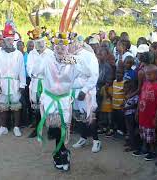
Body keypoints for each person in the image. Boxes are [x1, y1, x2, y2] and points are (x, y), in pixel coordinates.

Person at [31, 31, 90, 171]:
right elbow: (34, 72)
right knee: (54, 128)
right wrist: (40, 55)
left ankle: (61, 153)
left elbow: (87, 74)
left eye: (63, 48)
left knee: (63, 129)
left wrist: (73, 62)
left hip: (63, 101)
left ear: (68, 48)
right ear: (54, 48)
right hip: (50, 99)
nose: (60, 50)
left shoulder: (72, 61)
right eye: (57, 47)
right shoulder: (47, 59)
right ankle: (61, 153)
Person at [0, 21, 26, 137]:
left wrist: (22, 85)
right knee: (3, 106)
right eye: (7, 40)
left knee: (16, 106)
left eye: (11, 40)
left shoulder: (19, 54)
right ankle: (4, 127)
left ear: (14, 40)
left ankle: (16, 127)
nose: (9, 42)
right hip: (2, 83)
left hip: (15, 83)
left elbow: (22, 70)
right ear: (3, 40)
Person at [71, 35, 100, 153]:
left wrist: (84, 90)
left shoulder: (89, 55)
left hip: (86, 91)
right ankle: (83, 138)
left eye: (73, 43)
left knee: (90, 116)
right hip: (74, 90)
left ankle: (96, 141)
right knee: (79, 116)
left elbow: (94, 75)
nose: (71, 45)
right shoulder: (71, 56)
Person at [27, 27, 54, 138]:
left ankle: (50, 130)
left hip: (46, 83)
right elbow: (30, 70)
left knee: (49, 107)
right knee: (37, 108)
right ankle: (38, 129)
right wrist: (37, 71)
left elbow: (51, 69)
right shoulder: (32, 54)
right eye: (37, 42)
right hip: (36, 83)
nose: (39, 44)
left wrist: (38, 71)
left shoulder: (50, 53)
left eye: (41, 42)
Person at [133, 65, 157, 161]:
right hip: (143, 114)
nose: (148, 76)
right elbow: (141, 98)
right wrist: (137, 111)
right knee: (143, 133)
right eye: (146, 74)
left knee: (151, 135)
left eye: (150, 74)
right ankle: (144, 148)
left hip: (151, 116)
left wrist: (156, 118)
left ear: (156, 74)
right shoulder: (145, 84)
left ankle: (152, 151)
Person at [106, 68, 125, 137]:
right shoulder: (114, 82)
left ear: (123, 74)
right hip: (113, 105)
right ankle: (114, 131)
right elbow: (112, 92)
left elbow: (126, 94)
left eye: (120, 73)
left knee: (120, 120)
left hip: (120, 106)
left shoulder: (124, 83)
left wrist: (124, 103)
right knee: (114, 119)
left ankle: (120, 132)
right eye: (117, 73)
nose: (118, 75)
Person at [123, 79, 139, 152]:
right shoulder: (126, 95)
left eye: (126, 87)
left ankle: (133, 146)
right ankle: (130, 143)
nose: (124, 89)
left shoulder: (135, 96)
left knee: (131, 130)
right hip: (127, 114)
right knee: (129, 130)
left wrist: (126, 107)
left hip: (131, 115)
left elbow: (136, 105)